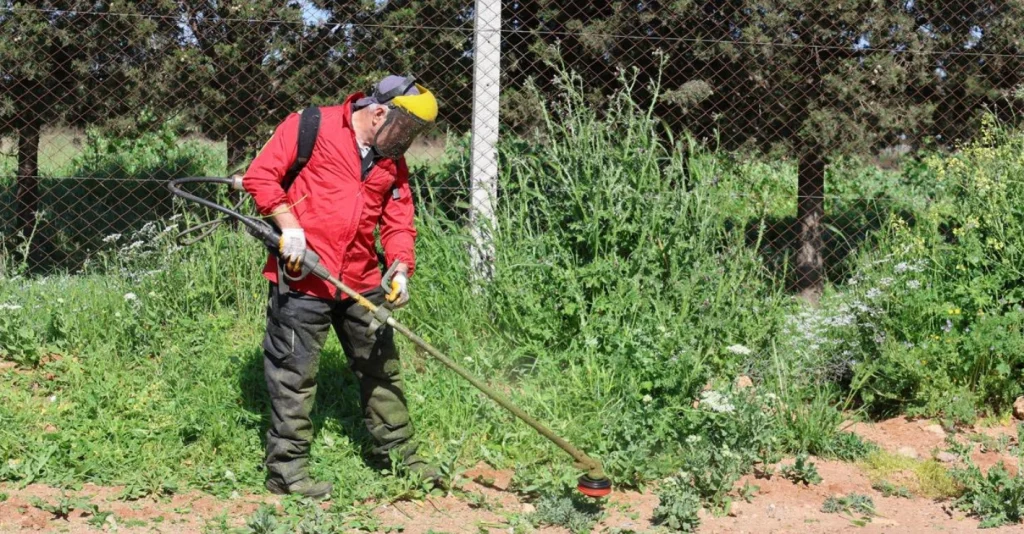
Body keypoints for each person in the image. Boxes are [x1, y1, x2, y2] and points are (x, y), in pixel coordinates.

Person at [241, 75, 439, 499]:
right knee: (293, 375)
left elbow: (399, 221)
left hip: (362, 281)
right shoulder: (310, 126)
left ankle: (401, 458)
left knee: (381, 368)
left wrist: (400, 269)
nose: (407, 141)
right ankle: (287, 472)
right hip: (303, 276)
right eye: (405, 128)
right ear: (379, 113)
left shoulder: (391, 159)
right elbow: (261, 177)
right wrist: (290, 228)